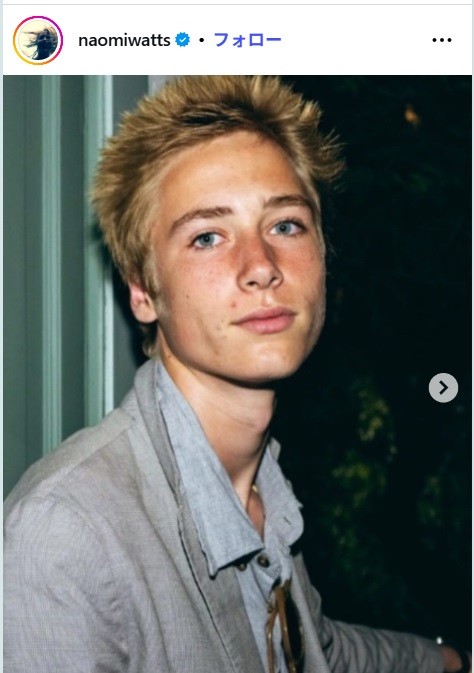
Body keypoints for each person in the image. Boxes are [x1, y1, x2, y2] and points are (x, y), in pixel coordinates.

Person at [3, 75, 469, 673]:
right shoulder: (65, 535)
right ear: (143, 291)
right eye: (207, 237)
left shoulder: (257, 486)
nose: (261, 266)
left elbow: (314, 651)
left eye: (285, 225)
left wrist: (449, 660)